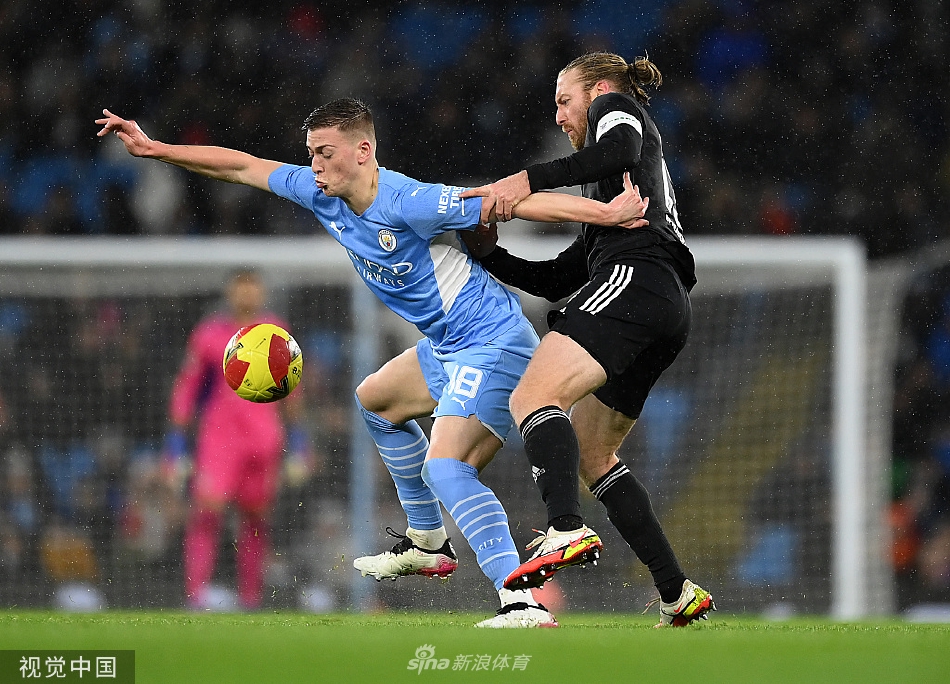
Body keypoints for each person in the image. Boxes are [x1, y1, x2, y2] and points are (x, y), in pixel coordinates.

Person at [95, 98, 648, 627]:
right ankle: (428, 542)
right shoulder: (320, 194)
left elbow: (510, 203)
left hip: (495, 342)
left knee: (447, 467)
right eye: (310, 153)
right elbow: (242, 166)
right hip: (446, 346)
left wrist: (603, 213)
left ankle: (520, 600)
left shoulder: (410, 201)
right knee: (375, 401)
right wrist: (156, 147)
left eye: (325, 153)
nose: (313, 166)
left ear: (363, 152)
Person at [460, 52, 715, 627]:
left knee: (531, 399)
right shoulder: (612, 199)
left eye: (563, 100)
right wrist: (491, 255)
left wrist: (524, 180)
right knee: (595, 455)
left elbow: (617, 145)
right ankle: (677, 592)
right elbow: (554, 278)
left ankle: (564, 529)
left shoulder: (616, 109)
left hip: (638, 279)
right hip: (663, 304)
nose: (558, 116)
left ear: (596, 90)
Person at [162, 269, 314, 610]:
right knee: (207, 510)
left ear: (261, 293)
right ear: (230, 293)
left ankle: (251, 598)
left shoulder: (277, 332)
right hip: (219, 436)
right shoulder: (210, 335)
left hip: (263, 438)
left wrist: (300, 441)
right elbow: (187, 387)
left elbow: (292, 391)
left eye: (252, 288)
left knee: (256, 518)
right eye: (240, 288)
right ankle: (196, 595)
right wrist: (175, 441)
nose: (246, 295)